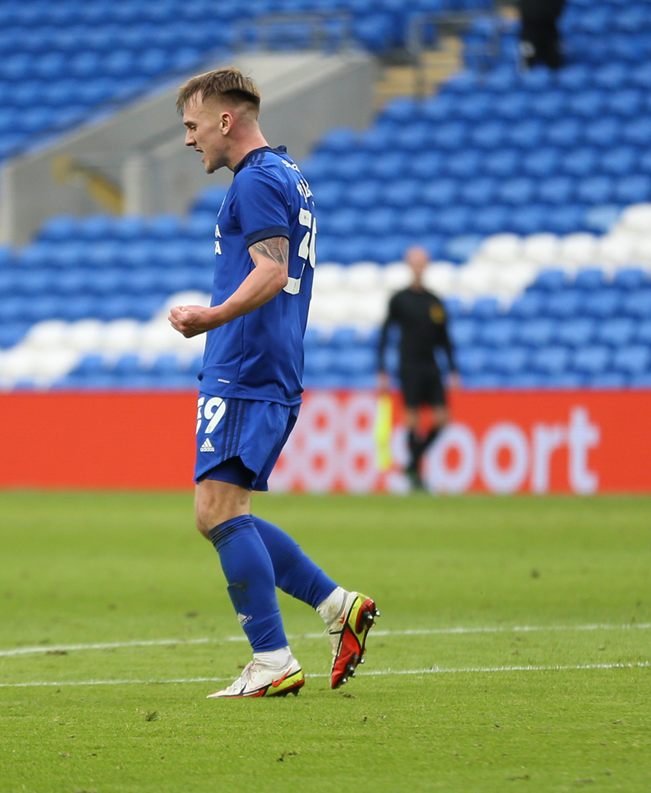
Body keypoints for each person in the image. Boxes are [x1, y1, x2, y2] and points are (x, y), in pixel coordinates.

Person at [168, 67, 378, 698]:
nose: (188, 139)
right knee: (225, 513)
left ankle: (272, 658)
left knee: (216, 510)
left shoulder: (256, 182)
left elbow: (269, 270)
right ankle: (336, 606)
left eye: (193, 125)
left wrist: (211, 316)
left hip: (247, 364)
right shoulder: (288, 175)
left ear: (225, 120)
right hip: (269, 363)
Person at [375, 246, 460, 493]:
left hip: (431, 365)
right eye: (415, 262)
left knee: (442, 419)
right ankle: (416, 476)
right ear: (409, 265)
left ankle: (412, 463)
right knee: (411, 420)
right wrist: (381, 368)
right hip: (409, 365)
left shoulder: (434, 301)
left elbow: (444, 338)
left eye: (423, 262)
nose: (419, 267)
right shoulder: (399, 299)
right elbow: (385, 333)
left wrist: (453, 369)